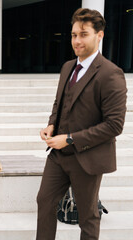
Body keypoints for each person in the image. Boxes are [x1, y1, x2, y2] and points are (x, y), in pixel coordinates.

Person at [37, 8, 127, 240]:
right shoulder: (67, 67)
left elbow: (114, 125)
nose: (76, 40)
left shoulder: (111, 74)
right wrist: (51, 126)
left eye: (83, 34)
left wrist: (69, 139)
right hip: (58, 155)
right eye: (74, 34)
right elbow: (60, 103)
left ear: (100, 35)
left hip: (88, 157)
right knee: (44, 201)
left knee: (87, 215)